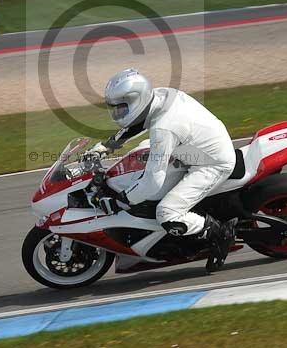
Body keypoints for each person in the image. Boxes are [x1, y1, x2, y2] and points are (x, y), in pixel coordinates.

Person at [87, 68, 238, 272]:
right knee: (140, 153)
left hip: (212, 163)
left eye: (121, 109)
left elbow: (153, 181)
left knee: (167, 213)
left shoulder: (163, 129)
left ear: (136, 101)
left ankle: (220, 233)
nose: (117, 114)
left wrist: (120, 201)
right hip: (193, 150)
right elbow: (139, 122)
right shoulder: (160, 96)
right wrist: (106, 147)